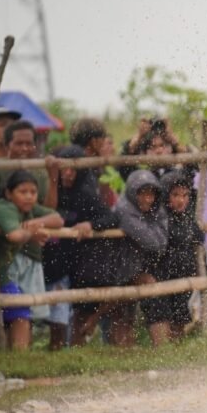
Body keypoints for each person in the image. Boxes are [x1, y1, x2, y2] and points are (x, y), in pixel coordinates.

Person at [0, 170, 63, 350]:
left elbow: (58, 219)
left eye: (33, 192)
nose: (28, 197)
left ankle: (19, 359)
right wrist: (32, 232)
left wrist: (37, 222)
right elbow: (15, 235)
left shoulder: (29, 210)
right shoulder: (4, 208)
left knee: (20, 311)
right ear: (9, 194)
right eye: (22, 192)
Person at [70, 170, 168, 347]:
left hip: (128, 271)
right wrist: (150, 227)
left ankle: (118, 353)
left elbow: (160, 240)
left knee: (123, 318)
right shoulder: (125, 211)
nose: (148, 199)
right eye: (142, 193)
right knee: (86, 315)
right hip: (104, 270)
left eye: (151, 193)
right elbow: (154, 242)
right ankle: (74, 356)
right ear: (133, 193)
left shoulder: (154, 210)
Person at [42, 145, 120, 350]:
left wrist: (91, 225)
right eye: (64, 169)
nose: (67, 174)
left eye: (72, 169)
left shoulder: (85, 195)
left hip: (72, 263)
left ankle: (67, 356)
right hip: (47, 260)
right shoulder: (46, 189)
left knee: (63, 319)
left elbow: (112, 217)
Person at [143, 171, 202, 346]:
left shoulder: (186, 217)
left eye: (185, 195)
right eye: (175, 194)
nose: (181, 200)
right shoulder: (155, 217)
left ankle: (176, 365)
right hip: (158, 278)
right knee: (161, 329)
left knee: (178, 331)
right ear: (165, 194)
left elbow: (199, 236)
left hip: (182, 280)